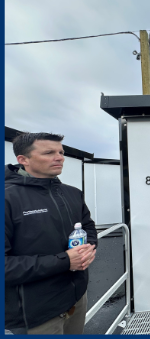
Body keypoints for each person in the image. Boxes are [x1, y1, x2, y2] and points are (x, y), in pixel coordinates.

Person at [5, 132, 97, 334]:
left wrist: (88, 249)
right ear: (23, 160)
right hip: (36, 314)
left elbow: (88, 227)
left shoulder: (72, 193)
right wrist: (65, 261)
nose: (60, 157)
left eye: (61, 152)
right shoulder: (7, 198)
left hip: (76, 299)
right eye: (49, 152)